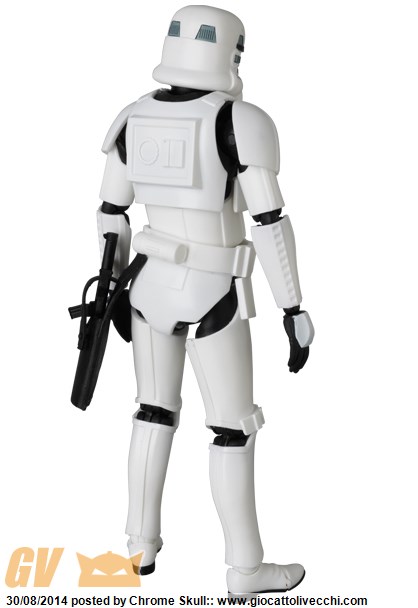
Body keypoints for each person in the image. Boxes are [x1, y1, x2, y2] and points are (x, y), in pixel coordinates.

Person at [96, 5, 314, 595]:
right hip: (213, 288)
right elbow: (269, 221)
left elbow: (111, 213)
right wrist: (293, 307)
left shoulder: (132, 116)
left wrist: (112, 287)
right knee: (232, 429)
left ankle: (139, 547)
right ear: (231, 52)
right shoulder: (241, 120)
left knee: (152, 412)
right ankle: (246, 569)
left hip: (146, 286)